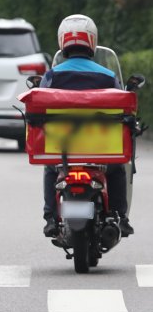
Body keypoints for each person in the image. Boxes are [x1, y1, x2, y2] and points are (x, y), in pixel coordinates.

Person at [40, 14, 134, 238]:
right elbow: (123, 109)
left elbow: (40, 109)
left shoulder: (51, 76)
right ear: (92, 41)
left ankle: (51, 217)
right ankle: (119, 216)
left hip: (62, 147)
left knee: (50, 169)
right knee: (117, 169)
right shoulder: (108, 76)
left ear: (63, 42)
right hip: (101, 147)